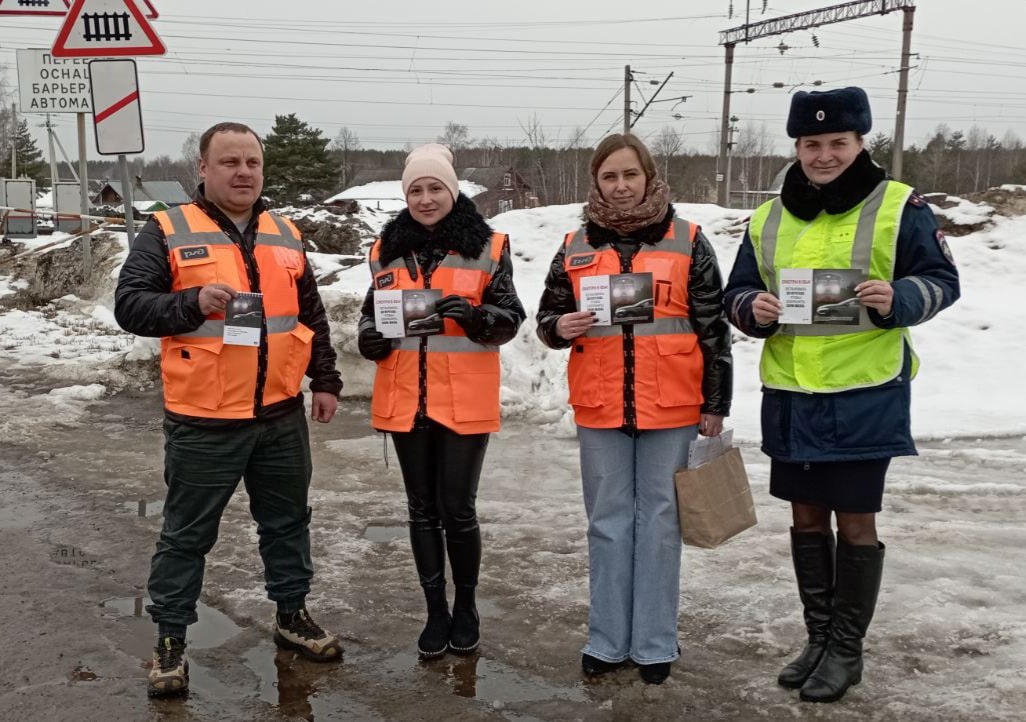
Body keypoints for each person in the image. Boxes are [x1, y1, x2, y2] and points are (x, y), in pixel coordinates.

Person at [723, 87, 960, 703]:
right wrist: (755, 309)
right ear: (797, 147)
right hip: (792, 394)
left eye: (837, 143)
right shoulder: (769, 217)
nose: (824, 155)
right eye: (811, 144)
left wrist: (900, 299)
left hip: (864, 394)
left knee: (855, 522)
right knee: (805, 518)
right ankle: (818, 637)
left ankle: (847, 650)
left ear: (860, 143)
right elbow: (738, 293)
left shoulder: (899, 206)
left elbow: (941, 281)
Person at [114, 122, 345, 697]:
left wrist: (326, 379)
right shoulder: (168, 229)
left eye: (253, 163)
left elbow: (310, 317)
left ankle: (291, 615)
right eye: (230, 162)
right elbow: (131, 306)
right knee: (186, 534)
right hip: (204, 420)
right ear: (203, 169)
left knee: (288, 523)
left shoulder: (285, 234)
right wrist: (190, 302)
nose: (244, 172)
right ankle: (170, 641)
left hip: (279, 417)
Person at [536, 133, 732, 685]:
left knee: (661, 522)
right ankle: (606, 639)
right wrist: (559, 327)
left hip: (671, 405)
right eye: (608, 177)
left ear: (649, 176)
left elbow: (712, 326)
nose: (620, 187)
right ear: (595, 183)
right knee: (608, 524)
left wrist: (716, 401)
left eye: (630, 175)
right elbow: (548, 317)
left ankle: (653, 644)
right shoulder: (575, 245)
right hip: (600, 407)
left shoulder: (689, 240)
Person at [357, 144, 525, 659]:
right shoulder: (384, 251)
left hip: (464, 400)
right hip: (406, 397)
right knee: (421, 509)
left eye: (435, 188)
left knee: (458, 508)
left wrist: (477, 318)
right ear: (405, 196)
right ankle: (435, 610)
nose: (426, 199)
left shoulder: (489, 247)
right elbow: (371, 317)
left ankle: (467, 605)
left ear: (453, 191)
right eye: (415, 190)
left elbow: (511, 318)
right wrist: (370, 339)